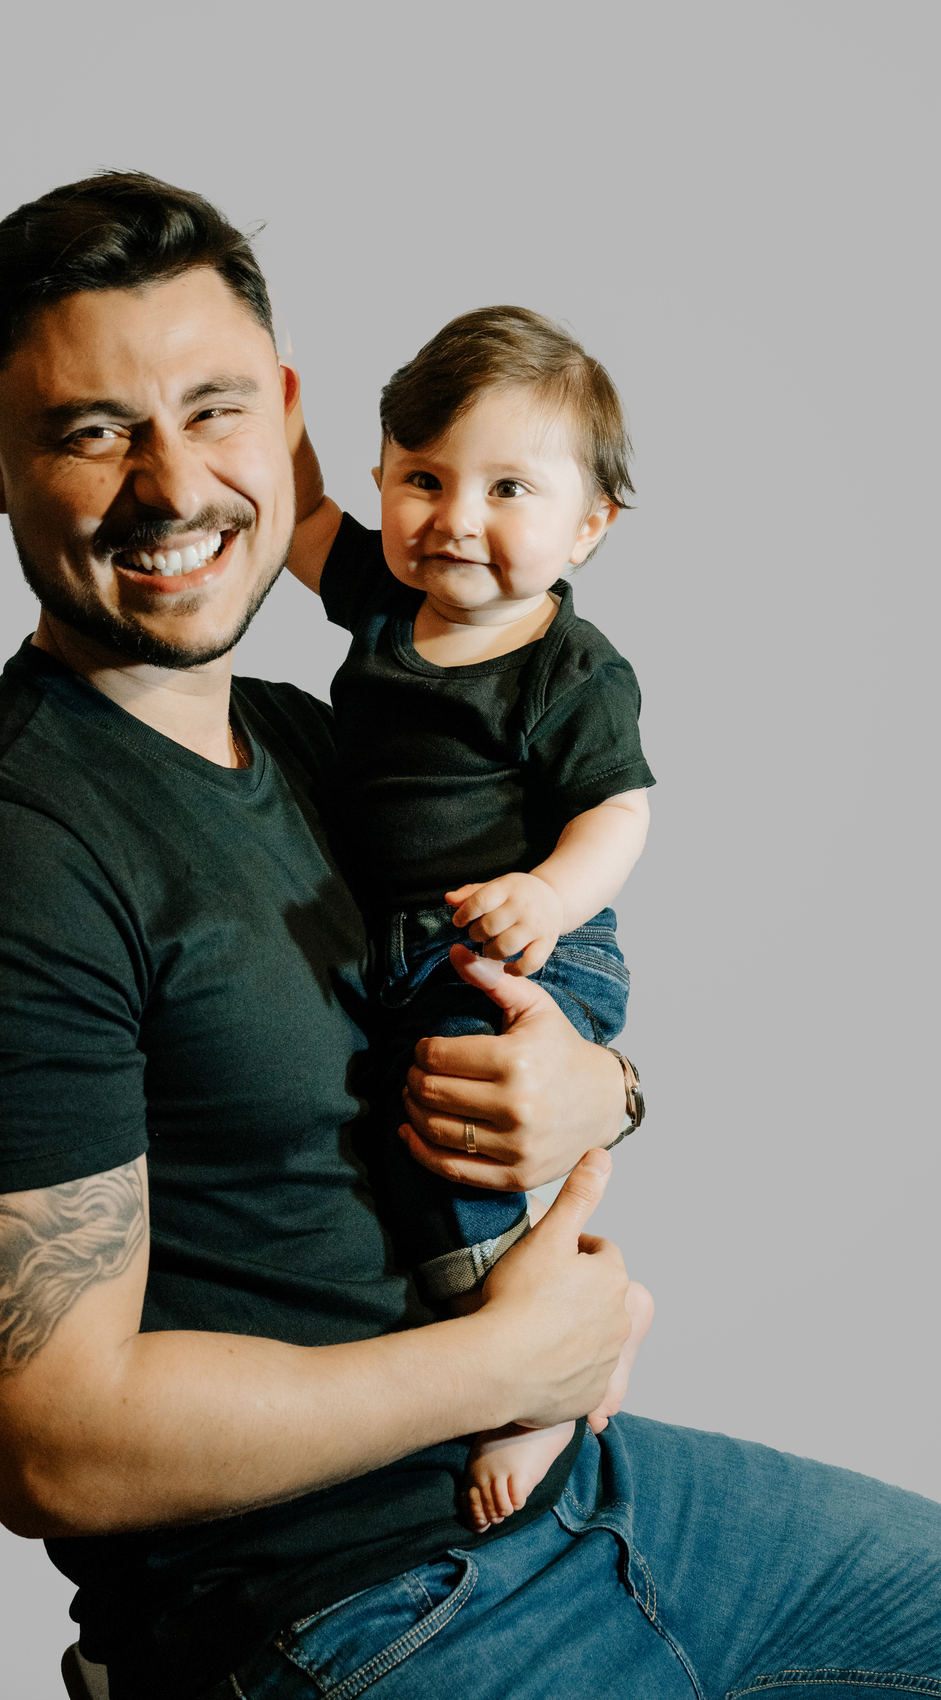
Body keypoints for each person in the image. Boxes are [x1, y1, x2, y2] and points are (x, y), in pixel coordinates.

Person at [0, 171, 941, 1700]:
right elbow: (55, 1448)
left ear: (287, 419)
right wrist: (507, 1367)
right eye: (93, 431)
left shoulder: (316, 738)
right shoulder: (2, 866)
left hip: (582, 1491)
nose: (172, 484)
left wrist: (597, 1089)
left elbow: (527, 978)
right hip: (347, 1606)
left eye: (214, 412)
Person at [285, 307, 654, 1530]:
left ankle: (539, 1374)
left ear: (588, 526)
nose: (454, 518)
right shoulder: (386, 607)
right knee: (394, 1140)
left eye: (508, 489)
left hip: (525, 949)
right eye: (424, 479)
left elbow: (619, 812)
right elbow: (301, 521)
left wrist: (547, 893)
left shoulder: (568, 668)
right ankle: (590, 1303)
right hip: (396, 944)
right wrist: (277, 428)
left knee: (457, 1131)